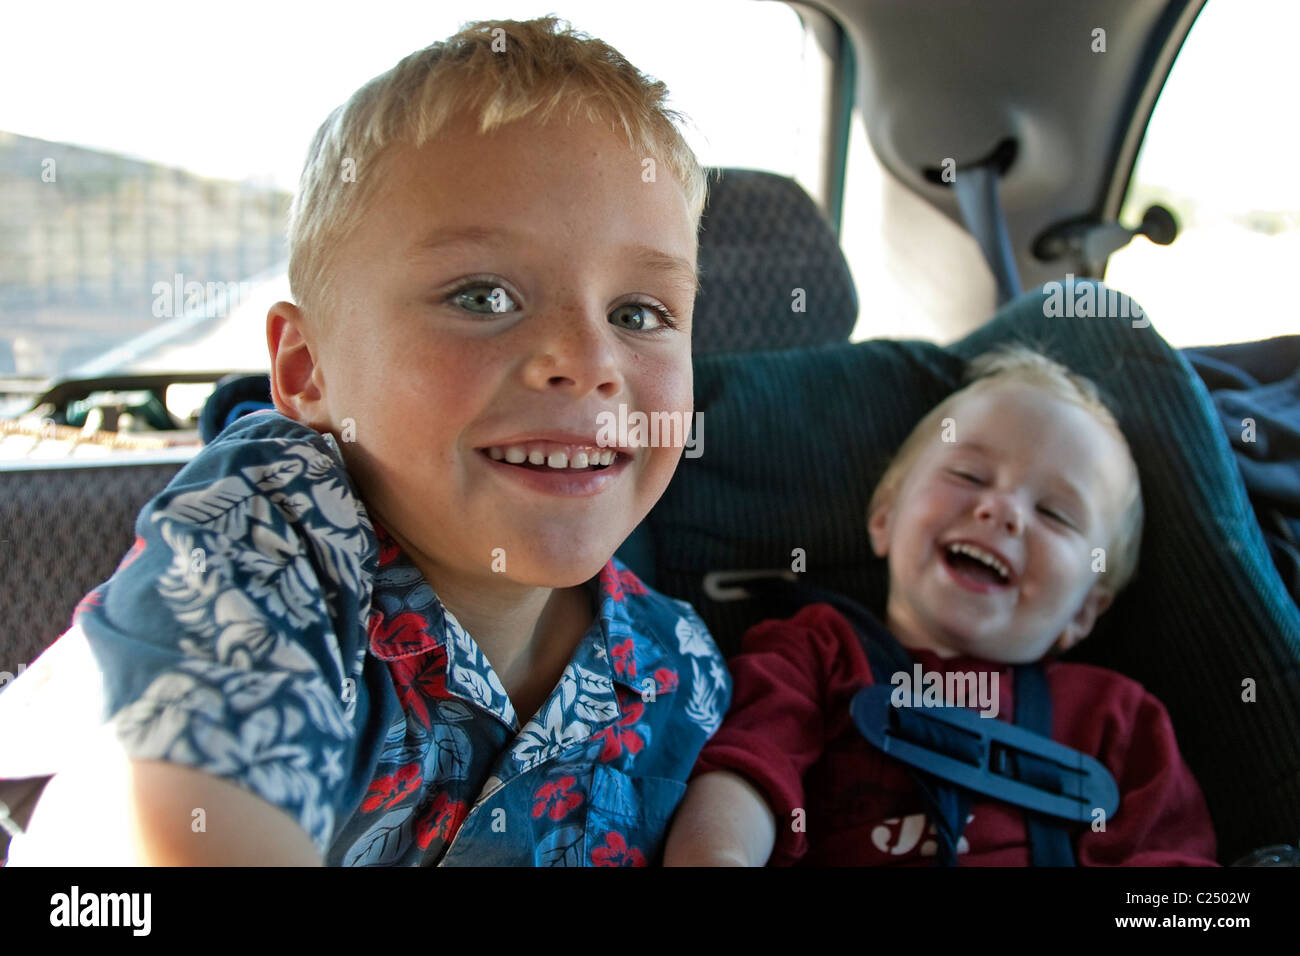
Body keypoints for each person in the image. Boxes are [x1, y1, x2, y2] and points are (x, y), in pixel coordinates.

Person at [0, 17, 730, 867]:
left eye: (639, 314)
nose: (588, 361)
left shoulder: (679, 664)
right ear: (308, 369)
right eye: (484, 297)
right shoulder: (266, 543)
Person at [663, 345, 1218, 866]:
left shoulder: (1116, 722)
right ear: (885, 517)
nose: (1002, 511)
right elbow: (749, 771)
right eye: (968, 475)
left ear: (1083, 611)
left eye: (1056, 514)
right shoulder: (815, 652)